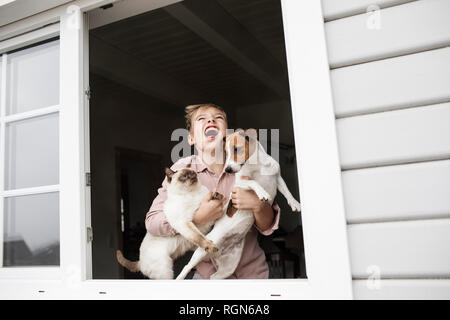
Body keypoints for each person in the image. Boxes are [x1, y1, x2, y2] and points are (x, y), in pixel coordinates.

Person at [145, 103, 280, 279]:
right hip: (206, 276)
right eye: (201, 119)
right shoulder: (181, 170)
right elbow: (153, 222)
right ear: (191, 138)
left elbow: (267, 226)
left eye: (218, 118)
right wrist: (197, 218)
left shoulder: (251, 164)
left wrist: (258, 205)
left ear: (227, 136)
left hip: (252, 275)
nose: (210, 120)